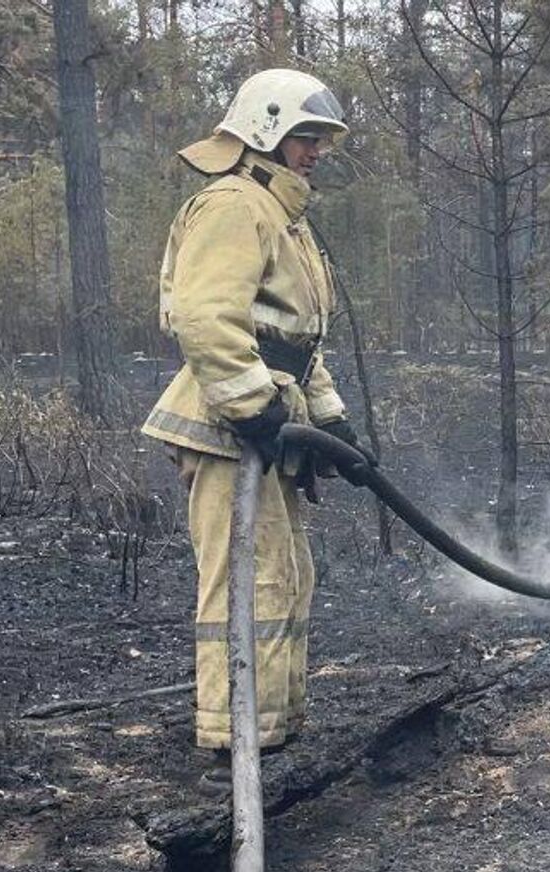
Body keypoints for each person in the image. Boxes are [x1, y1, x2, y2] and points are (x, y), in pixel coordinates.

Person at [141, 69, 375, 787]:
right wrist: (252, 407)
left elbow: (295, 340)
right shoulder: (233, 206)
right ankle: (231, 742)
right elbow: (206, 318)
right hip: (227, 426)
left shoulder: (281, 217)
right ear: (266, 129)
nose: (315, 153)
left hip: (270, 418)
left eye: (320, 142)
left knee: (286, 575)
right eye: (305, 138)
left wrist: (331, 422)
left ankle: (268, 729)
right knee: (248, 580)